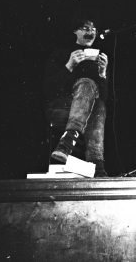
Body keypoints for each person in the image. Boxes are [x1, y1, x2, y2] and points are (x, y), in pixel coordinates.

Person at [43, 18, 109, 177]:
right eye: (85, 28)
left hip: (86, 114)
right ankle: (97, 164)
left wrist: (103, 73)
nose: (90, 32)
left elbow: (105, 99)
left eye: (93, 29)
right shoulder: (61, 53)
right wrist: (69, 65)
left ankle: (68, 143)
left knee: (99, 105)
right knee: (87, 85)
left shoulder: (97, 59)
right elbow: (49, 89)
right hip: (61, 109)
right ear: (75, 31)